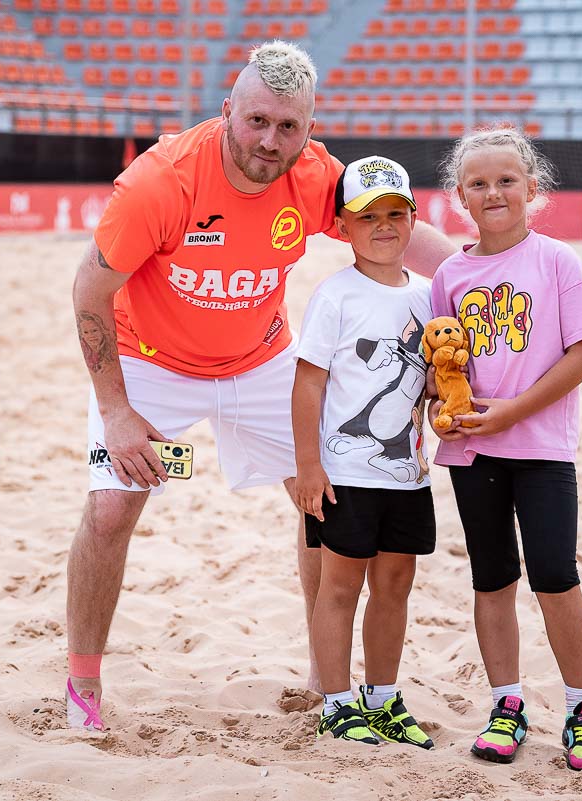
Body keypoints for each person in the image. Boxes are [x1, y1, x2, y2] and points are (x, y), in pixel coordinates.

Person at [65, 41, 456, 731]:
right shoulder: (160, 183)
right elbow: (89, 291)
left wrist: (478, 279)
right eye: (257, 121)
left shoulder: (314, 175)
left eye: (287, 126)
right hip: (150, 361)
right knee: (109, 512)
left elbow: (401, 231)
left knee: (323, 497)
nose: (269, 141)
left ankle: (324, 677)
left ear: (309, 129)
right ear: (227, 111)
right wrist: (116, 409)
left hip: (261, 358)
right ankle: (83, 685)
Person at [429, 128, 582, 771]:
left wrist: (513, 410)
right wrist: (440, 413)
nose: (493, 193)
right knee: (492, 578)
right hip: (474, 455)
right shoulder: (450, 274)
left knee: (555, 577)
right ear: (460, 197)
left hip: (541, 449)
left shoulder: (558, 261)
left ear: (532, 188)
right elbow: (442, 368)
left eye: (506, 180)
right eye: (478, 183)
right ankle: (506, 704)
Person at [291, 156, 436, 748]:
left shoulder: (430, 295)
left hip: (408, 473)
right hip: (344, 472)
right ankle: (336, 701)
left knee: (395, 584)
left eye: (395, 214)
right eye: (367, 216)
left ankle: (382, 697)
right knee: (340, 587)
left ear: (413, 220)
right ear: (343, 227)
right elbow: (309, 383)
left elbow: (433, 381)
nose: (383, 226)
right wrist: (308, 466)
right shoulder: (336, 296)